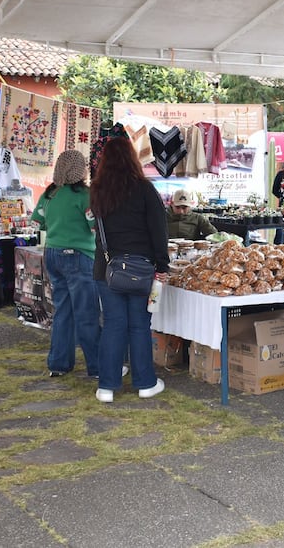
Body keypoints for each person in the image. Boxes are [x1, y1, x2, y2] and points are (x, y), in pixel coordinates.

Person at [90, 137, 169, 403]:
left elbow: (97, 234)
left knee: (112, 325)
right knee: (138, 326)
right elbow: (159, 230)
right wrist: (163, 264)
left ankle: (106, 387)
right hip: (140, 268)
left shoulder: (97, 191)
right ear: (133, 159)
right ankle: (145, 383)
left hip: (106, 268)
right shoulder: (144, 189)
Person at [30, 150, 101, 379]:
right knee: (86, 312)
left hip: (52, 253)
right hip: (79, 255)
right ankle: (98, 367)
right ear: (81, 170)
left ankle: (58, 364)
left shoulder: (50, 193)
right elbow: (95, 226)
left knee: (63, 310)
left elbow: (37, 222)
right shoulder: (85, 195)